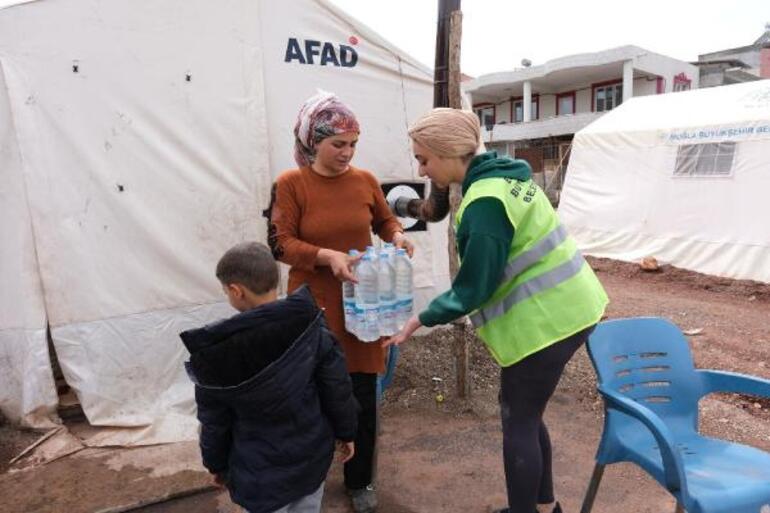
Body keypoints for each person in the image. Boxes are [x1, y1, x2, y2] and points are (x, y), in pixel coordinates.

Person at [385, 108, 609, 513]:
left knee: (518, 421)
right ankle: (544, 505)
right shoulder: (509, 176)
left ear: (451, 153)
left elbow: (475, 285)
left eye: (424, 158)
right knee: (527, 412)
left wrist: (420, 318)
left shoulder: (485, 201)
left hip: (547, 322)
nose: (420, 168)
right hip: (573, 306)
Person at [265, 90, 413, 513]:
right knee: (308, 396)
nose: (347, 153)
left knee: (362, 396)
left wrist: (398, 236)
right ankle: (306, 477)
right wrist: (326, 257)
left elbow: (384, 219)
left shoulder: (364, 181)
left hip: (363, 307)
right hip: (312, 306)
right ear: (314, 143)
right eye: (338, 145)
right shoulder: (291, 184)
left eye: (353, 145)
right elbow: (280, 243)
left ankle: (360, 479)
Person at [180, 241, 357, 513]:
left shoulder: (215, 357)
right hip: (311, 461)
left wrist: (215, 464)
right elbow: (336, 387)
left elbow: (214, 423)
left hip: (259, 477)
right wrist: (347, 432)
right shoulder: (310, 324)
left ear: (236, 291)